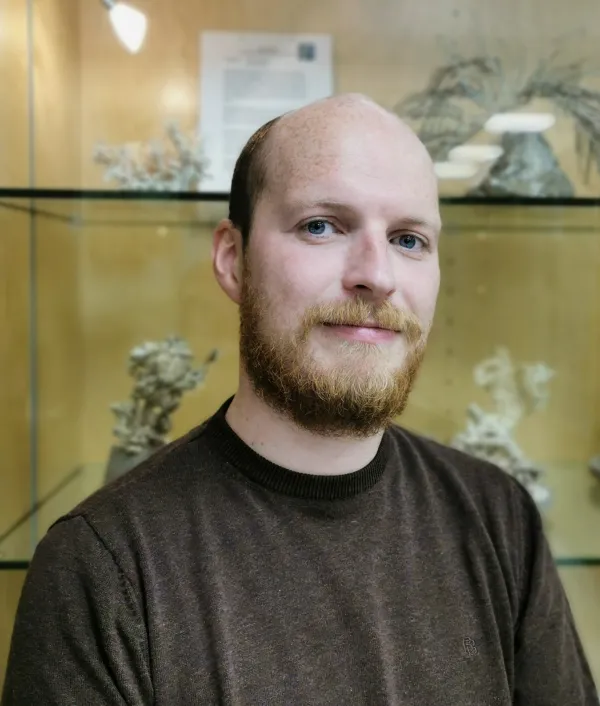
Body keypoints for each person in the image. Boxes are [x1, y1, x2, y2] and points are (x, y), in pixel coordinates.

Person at [2, 93, 598, 706]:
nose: (378, 274)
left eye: (410, 239)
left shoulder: (500, 518)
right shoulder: (103, 568)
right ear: (233, 260)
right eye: (322, 226)